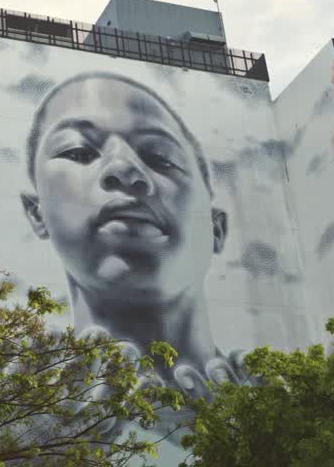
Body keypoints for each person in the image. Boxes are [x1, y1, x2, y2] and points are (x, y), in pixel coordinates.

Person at [20, 71, 250, 395]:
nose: (125, 169)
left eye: (161, 158)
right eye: (79, 153)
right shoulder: (16, 422)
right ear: (36, 213)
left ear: (216, 228)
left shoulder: (277, 416)